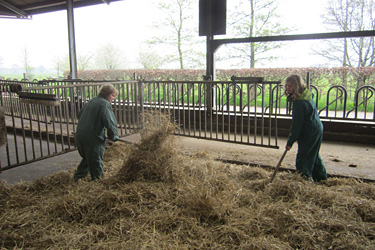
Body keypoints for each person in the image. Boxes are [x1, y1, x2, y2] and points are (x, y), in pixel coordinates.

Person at [284, 75, 327, 182]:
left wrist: (290, 141)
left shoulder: (299, 103)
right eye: (287, 86)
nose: (288, 88)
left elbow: (297, 125)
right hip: (316, 128)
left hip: (309, 131)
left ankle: (303, 180)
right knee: (313, 154)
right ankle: (321, 178)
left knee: (303, 158)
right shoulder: (306, 95)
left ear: (297, 86)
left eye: (290, 86)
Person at [73, 84, 119, 181]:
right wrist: (113, 136)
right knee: (96, 158)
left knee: (88, 157)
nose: (113, 99)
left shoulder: (92, 101)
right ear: (108, 94)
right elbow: (110, 122)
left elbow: (79, 115)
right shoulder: (104, 104)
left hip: (80, 134)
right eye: (113, 96)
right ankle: (97, 181)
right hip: (92, 137)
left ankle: (78, 176)